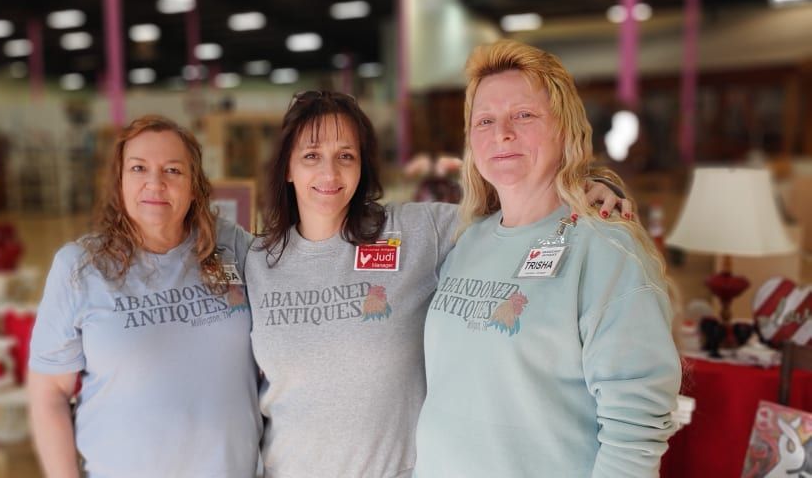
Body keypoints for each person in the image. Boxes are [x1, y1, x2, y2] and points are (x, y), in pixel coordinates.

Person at [244, 91, 630, 477]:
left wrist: (583, 185)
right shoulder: (257, 259)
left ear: (362, 166)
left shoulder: (413, 232)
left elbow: (518, 204)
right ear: (288, 168)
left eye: (346, 155)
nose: (329, 173)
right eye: (311, 156)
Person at [413, 40, 681, 477]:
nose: (501, 133)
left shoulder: (606, 250)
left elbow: (636, 430)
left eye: (524, 115)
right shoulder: (465, 240)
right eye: (485, 120)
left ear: (565, 129)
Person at [27, 115, 260, 477]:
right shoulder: (79, 268)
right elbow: (48, 394)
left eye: (173, 170)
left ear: (195, 186)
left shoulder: (234, 247)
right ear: (119, 182)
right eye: (138, 168)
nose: (155, 183)